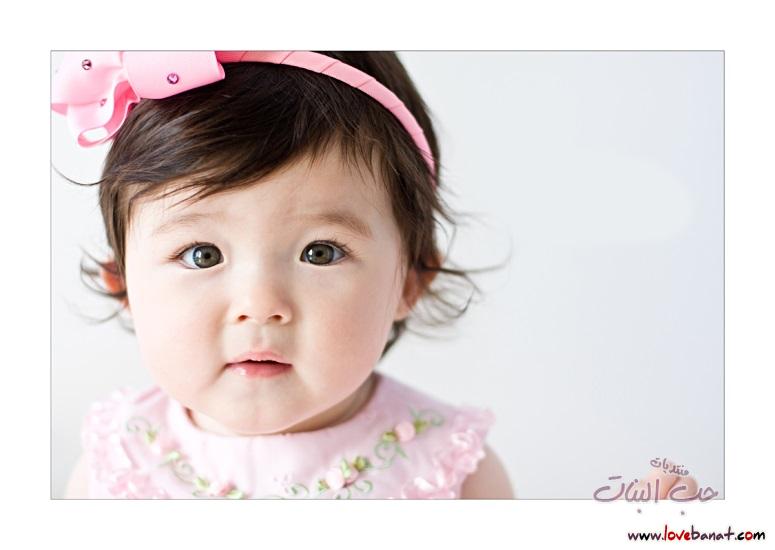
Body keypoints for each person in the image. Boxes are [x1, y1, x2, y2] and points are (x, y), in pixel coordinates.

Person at [53, 51, 514, 499]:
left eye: (320, 252)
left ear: (410, 280)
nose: (259, 305)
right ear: (123, 285)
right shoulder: (114, 470)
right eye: (202, 255)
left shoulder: (454, 473)